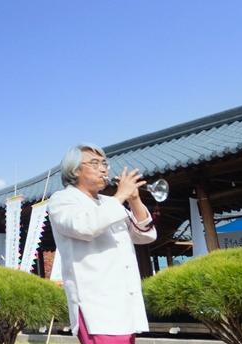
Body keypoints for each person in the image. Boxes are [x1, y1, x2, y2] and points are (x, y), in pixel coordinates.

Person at [47, 144, 156, 344]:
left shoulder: (109, 202)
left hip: (124, 303)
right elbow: (85, 226)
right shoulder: (62, 200)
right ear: (75, 170)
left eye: (105, 163)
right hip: (96, 304)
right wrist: (121, 196)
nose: (104, 169)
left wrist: (134, 200)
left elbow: (145, 236)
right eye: (95, 163)